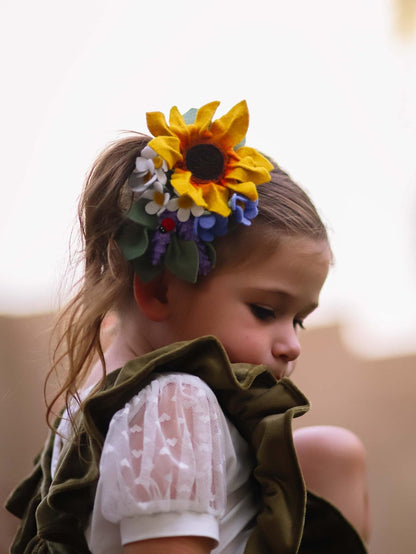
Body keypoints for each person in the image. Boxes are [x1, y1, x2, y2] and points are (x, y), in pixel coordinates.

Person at [6, 100, 370, 553]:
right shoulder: (173, 403)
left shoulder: (109, 399)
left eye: (298, 320)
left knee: (332, 452)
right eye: (264, 310)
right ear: (160, 292)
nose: (292, 345)